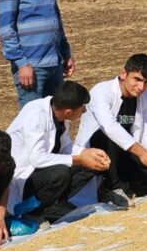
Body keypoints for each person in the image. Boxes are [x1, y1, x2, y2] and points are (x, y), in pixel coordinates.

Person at [74, 54, 147, 208]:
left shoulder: (143, 95)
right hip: (100, 151)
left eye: (146, 82)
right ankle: (111, 188)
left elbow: (144, 130)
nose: (141, 87)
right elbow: (110, 127)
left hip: (126, 151)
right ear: (123, 74)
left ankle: (131, 184)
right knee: (108, 136)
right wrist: (143, 154)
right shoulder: (101, 91)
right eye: (137, 79)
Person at [7, 81, 109, 223]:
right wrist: (79, 159)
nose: (84, 111)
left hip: (41, 172)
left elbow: (66, 147)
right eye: (82, 108)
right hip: (23, 177)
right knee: (60, 173)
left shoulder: (59, 114)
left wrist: (87, 152)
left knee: (92, 164)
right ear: (68, 111)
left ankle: (54, 205)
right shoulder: (36, 115)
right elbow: (37, 158)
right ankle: (32, 212)